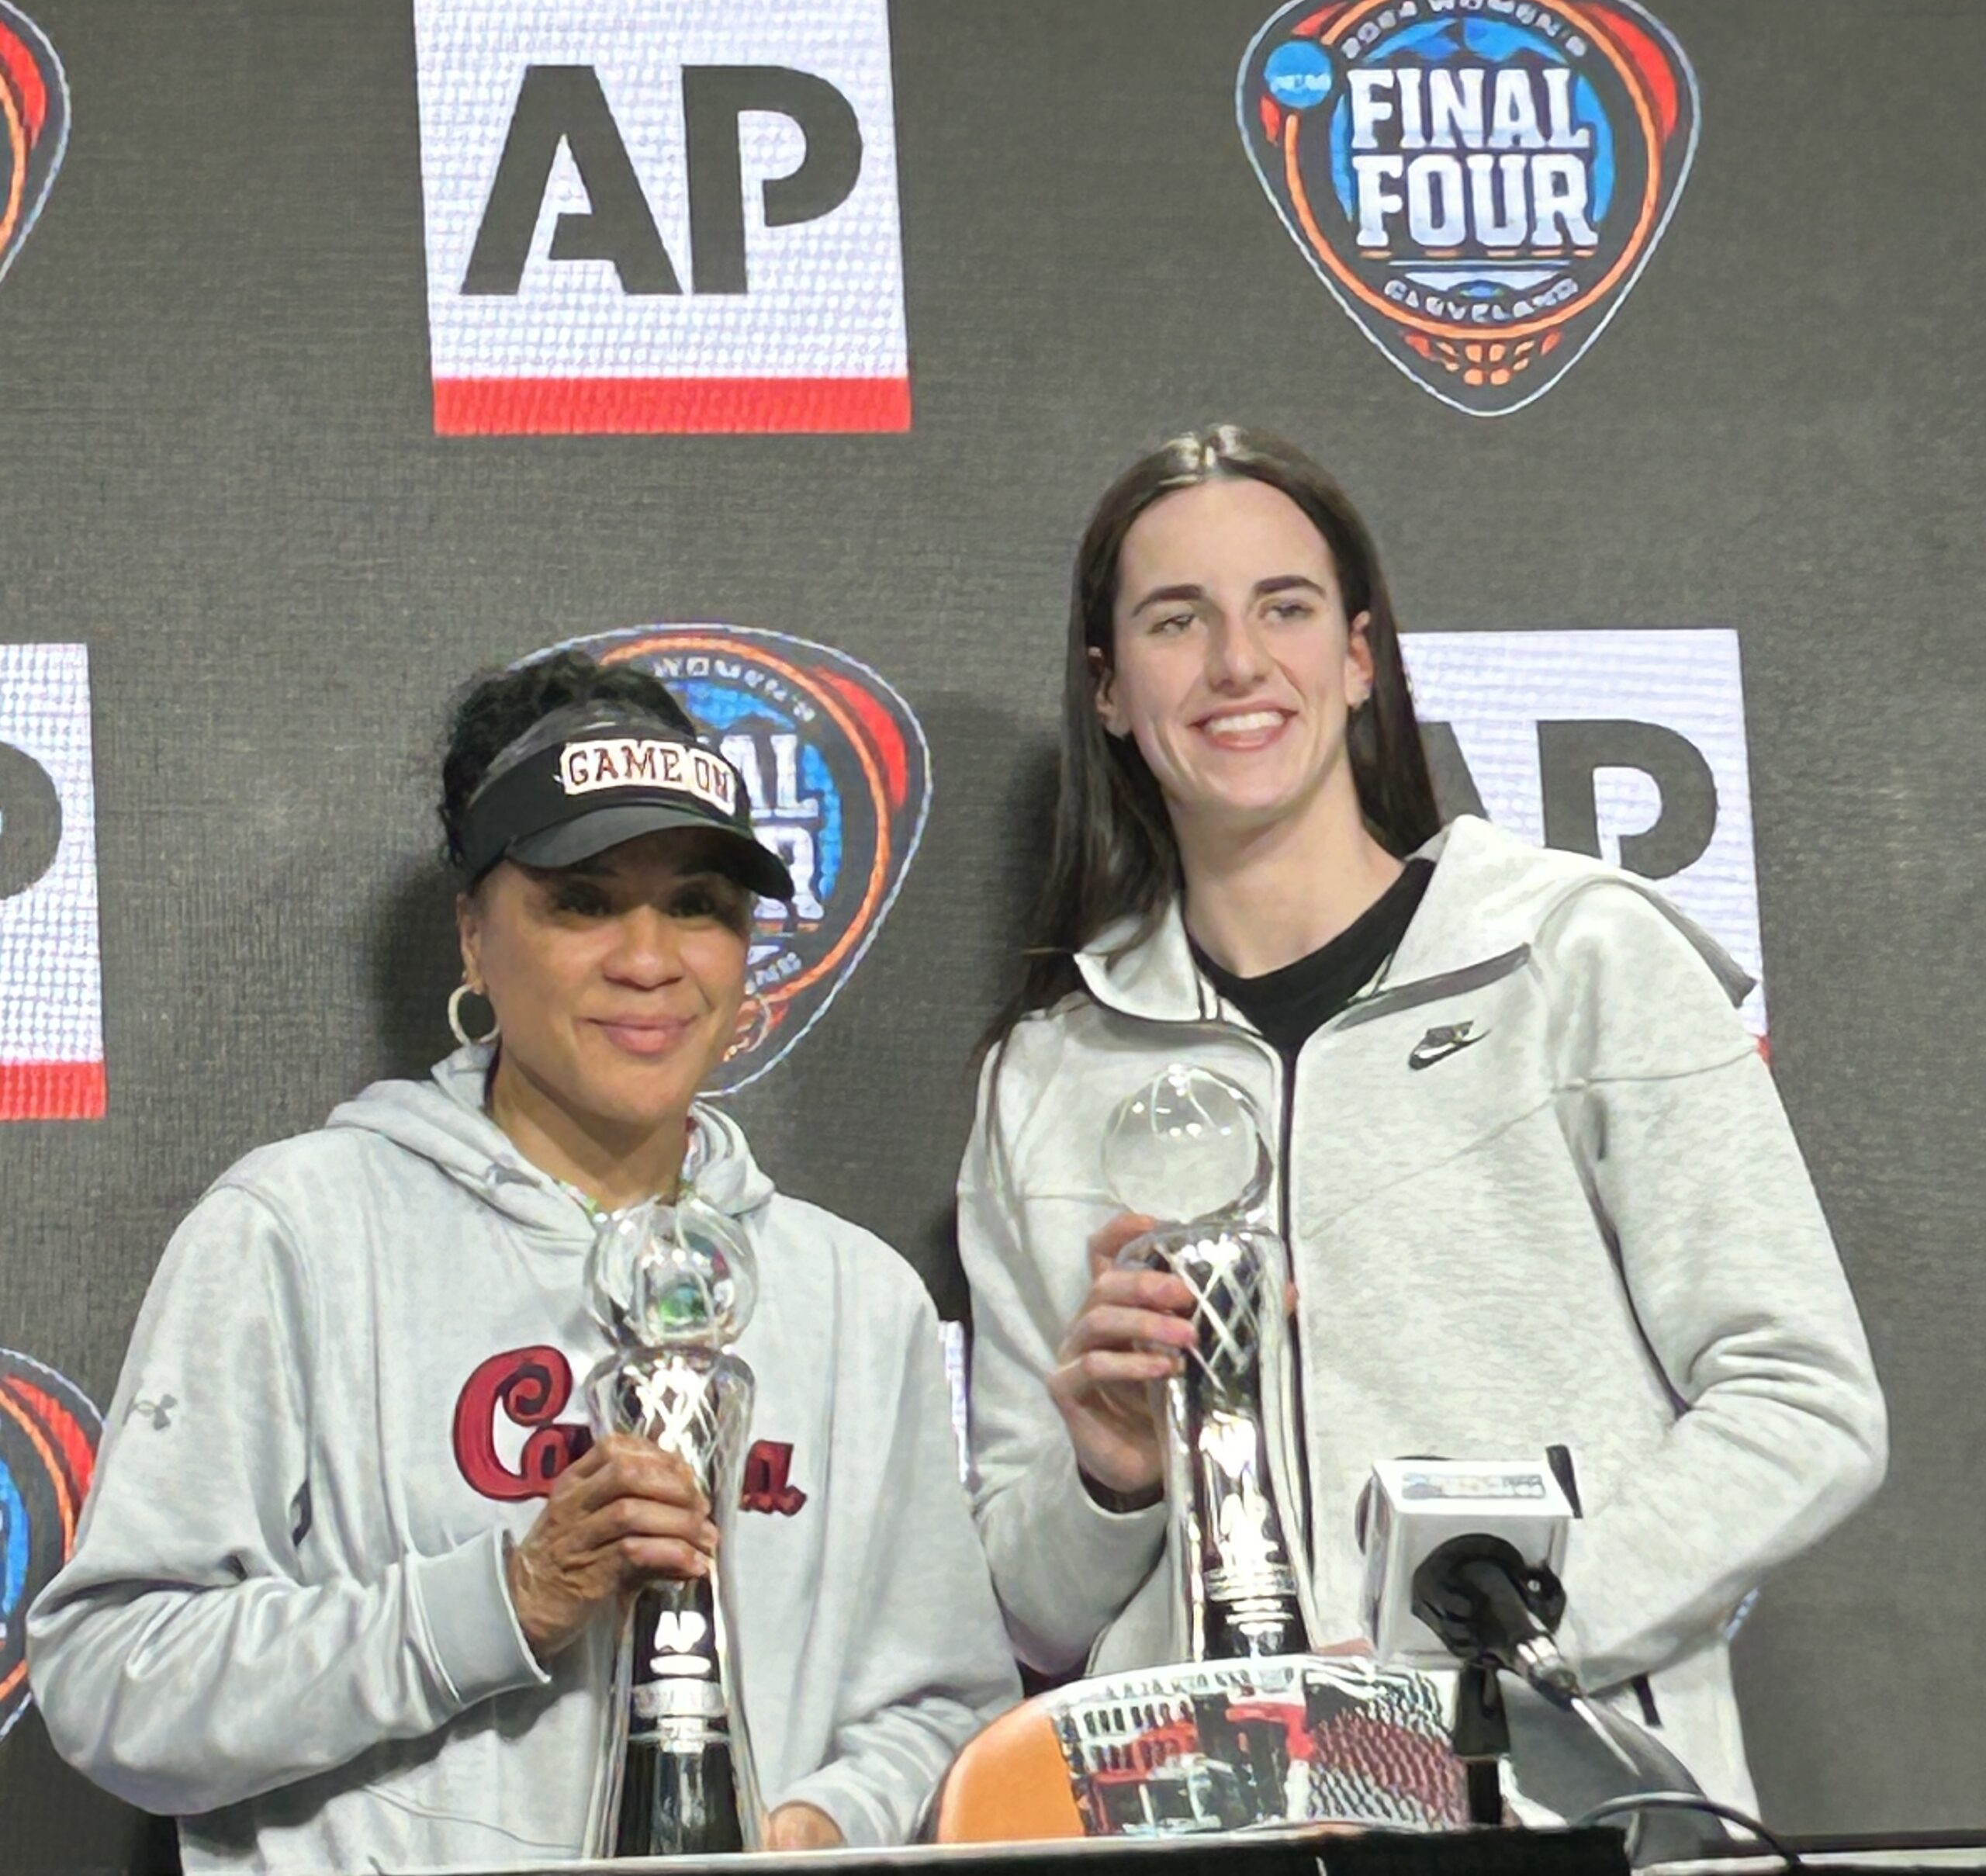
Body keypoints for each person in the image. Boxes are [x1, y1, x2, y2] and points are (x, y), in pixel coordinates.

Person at [957, 426, 1886, 1815]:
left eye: (1285, 607)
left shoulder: (1577, 955)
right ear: (1106, 689)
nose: (1236, 663)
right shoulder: (1044, 1076)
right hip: (1207, 1818)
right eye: (1175, 619)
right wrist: (1105, 1474)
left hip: (1564, 1804)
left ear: (1358, 656)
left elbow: (1807, 1401)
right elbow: (1027, 1607)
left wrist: (1488, 1643)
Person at [29, 651, 1017, 1872]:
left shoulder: (856, 1298)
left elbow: (945, 1708)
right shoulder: (297, 1233)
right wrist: (501, 1597)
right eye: (585, 900)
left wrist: (825, 1821)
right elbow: (115, 1681)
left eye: (699, 902)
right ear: (475, 937)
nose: (649, 958)